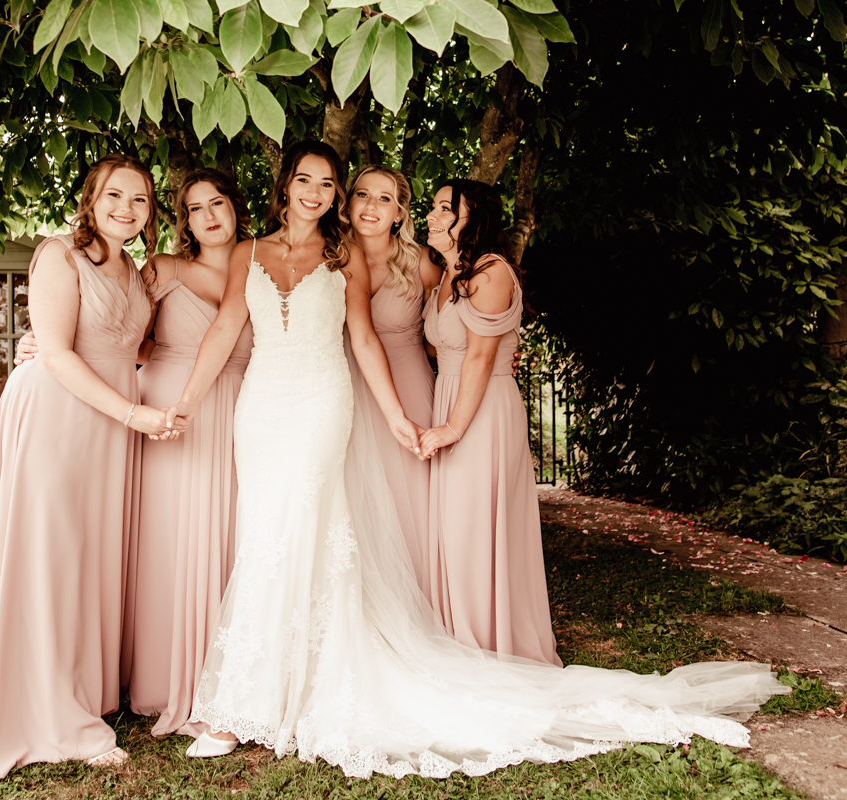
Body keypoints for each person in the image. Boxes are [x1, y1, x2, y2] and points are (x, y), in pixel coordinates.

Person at [165, 141, 787, 778]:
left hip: (325, 405)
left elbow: (365, 339)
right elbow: (224, 329)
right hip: (262, 410)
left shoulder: (342, 255)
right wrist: (183, 403)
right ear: (287, 186)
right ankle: (259, 690)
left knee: (303, 529)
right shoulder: (250, 252)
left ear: (335, 195)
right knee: (265, 534)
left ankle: (252, 705)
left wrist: (398, 416)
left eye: (328, 183)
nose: (316, 193)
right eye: (306, 180)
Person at [0, 155, 177, 781]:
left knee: (88, 556)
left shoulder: (137, 271)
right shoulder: (59, 253)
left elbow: (129, 346)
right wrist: (133, 415)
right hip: (60, 415)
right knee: (50, 553)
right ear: (91, 197)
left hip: (106, 424)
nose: (126, 210)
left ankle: (80, 688)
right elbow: (54, 349)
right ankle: (49, 712)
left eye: (140, 201)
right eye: (115, 195)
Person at [123, 169, 255, 737]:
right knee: (169, 538)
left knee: (230, 539)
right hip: (168, 409)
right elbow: (122, 333)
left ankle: (226, 677)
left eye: (217, 202)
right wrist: (41, 342)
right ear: (184, 220)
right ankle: (160, 676)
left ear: (235, 207)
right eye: (195, 207)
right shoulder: (164, 269)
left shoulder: (267, 267)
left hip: (241, 413)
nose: (208, 215)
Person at [419, 179, 560, 665]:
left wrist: (453, 428)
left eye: (444, 208)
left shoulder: (491, 271)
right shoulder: (445, 274)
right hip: (451, 398)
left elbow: (480, 357)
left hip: (481, 411)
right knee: (454, 529)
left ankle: (487, 647)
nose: (433, 216)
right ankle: (458, 642)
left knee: (475, 527)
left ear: (472, 216)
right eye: (433, 207)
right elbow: (443, 347)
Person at [345, 165, 439, 596]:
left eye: (385, 199)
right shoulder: (327, 256)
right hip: (345, 387)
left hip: (408, 383)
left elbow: (453, 322)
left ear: (400, 213)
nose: (371, 206)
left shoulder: (420, 262)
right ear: (348, 204)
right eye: (363, 194)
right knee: (352, 495)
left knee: (411, 495)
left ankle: (423, 596)